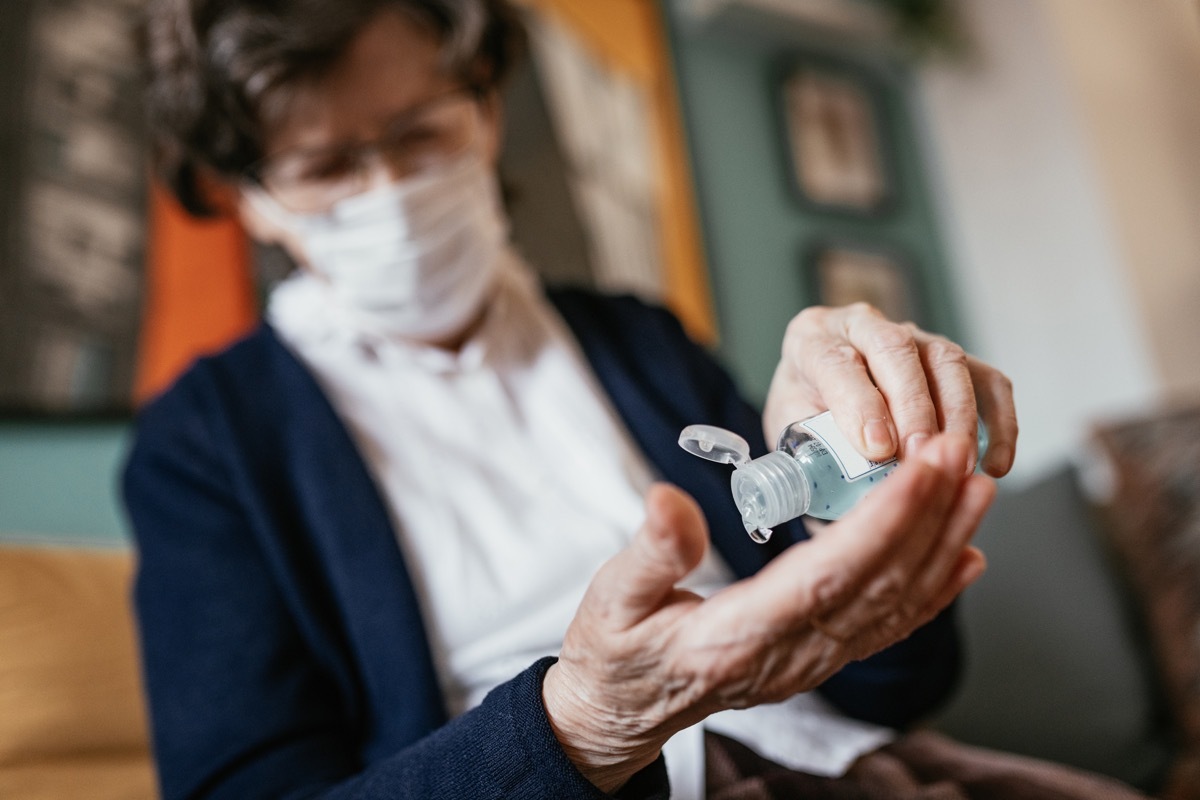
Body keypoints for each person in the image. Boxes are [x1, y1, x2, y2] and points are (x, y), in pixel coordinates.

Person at [124, 1, 1145, 798]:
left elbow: (900, 687)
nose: (388, 190)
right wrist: (584, 724)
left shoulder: (638, 337)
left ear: (483, 106)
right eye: (327, 167)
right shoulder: (202, 448)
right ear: (250, 197)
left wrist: (862, 497)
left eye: (419, 132)